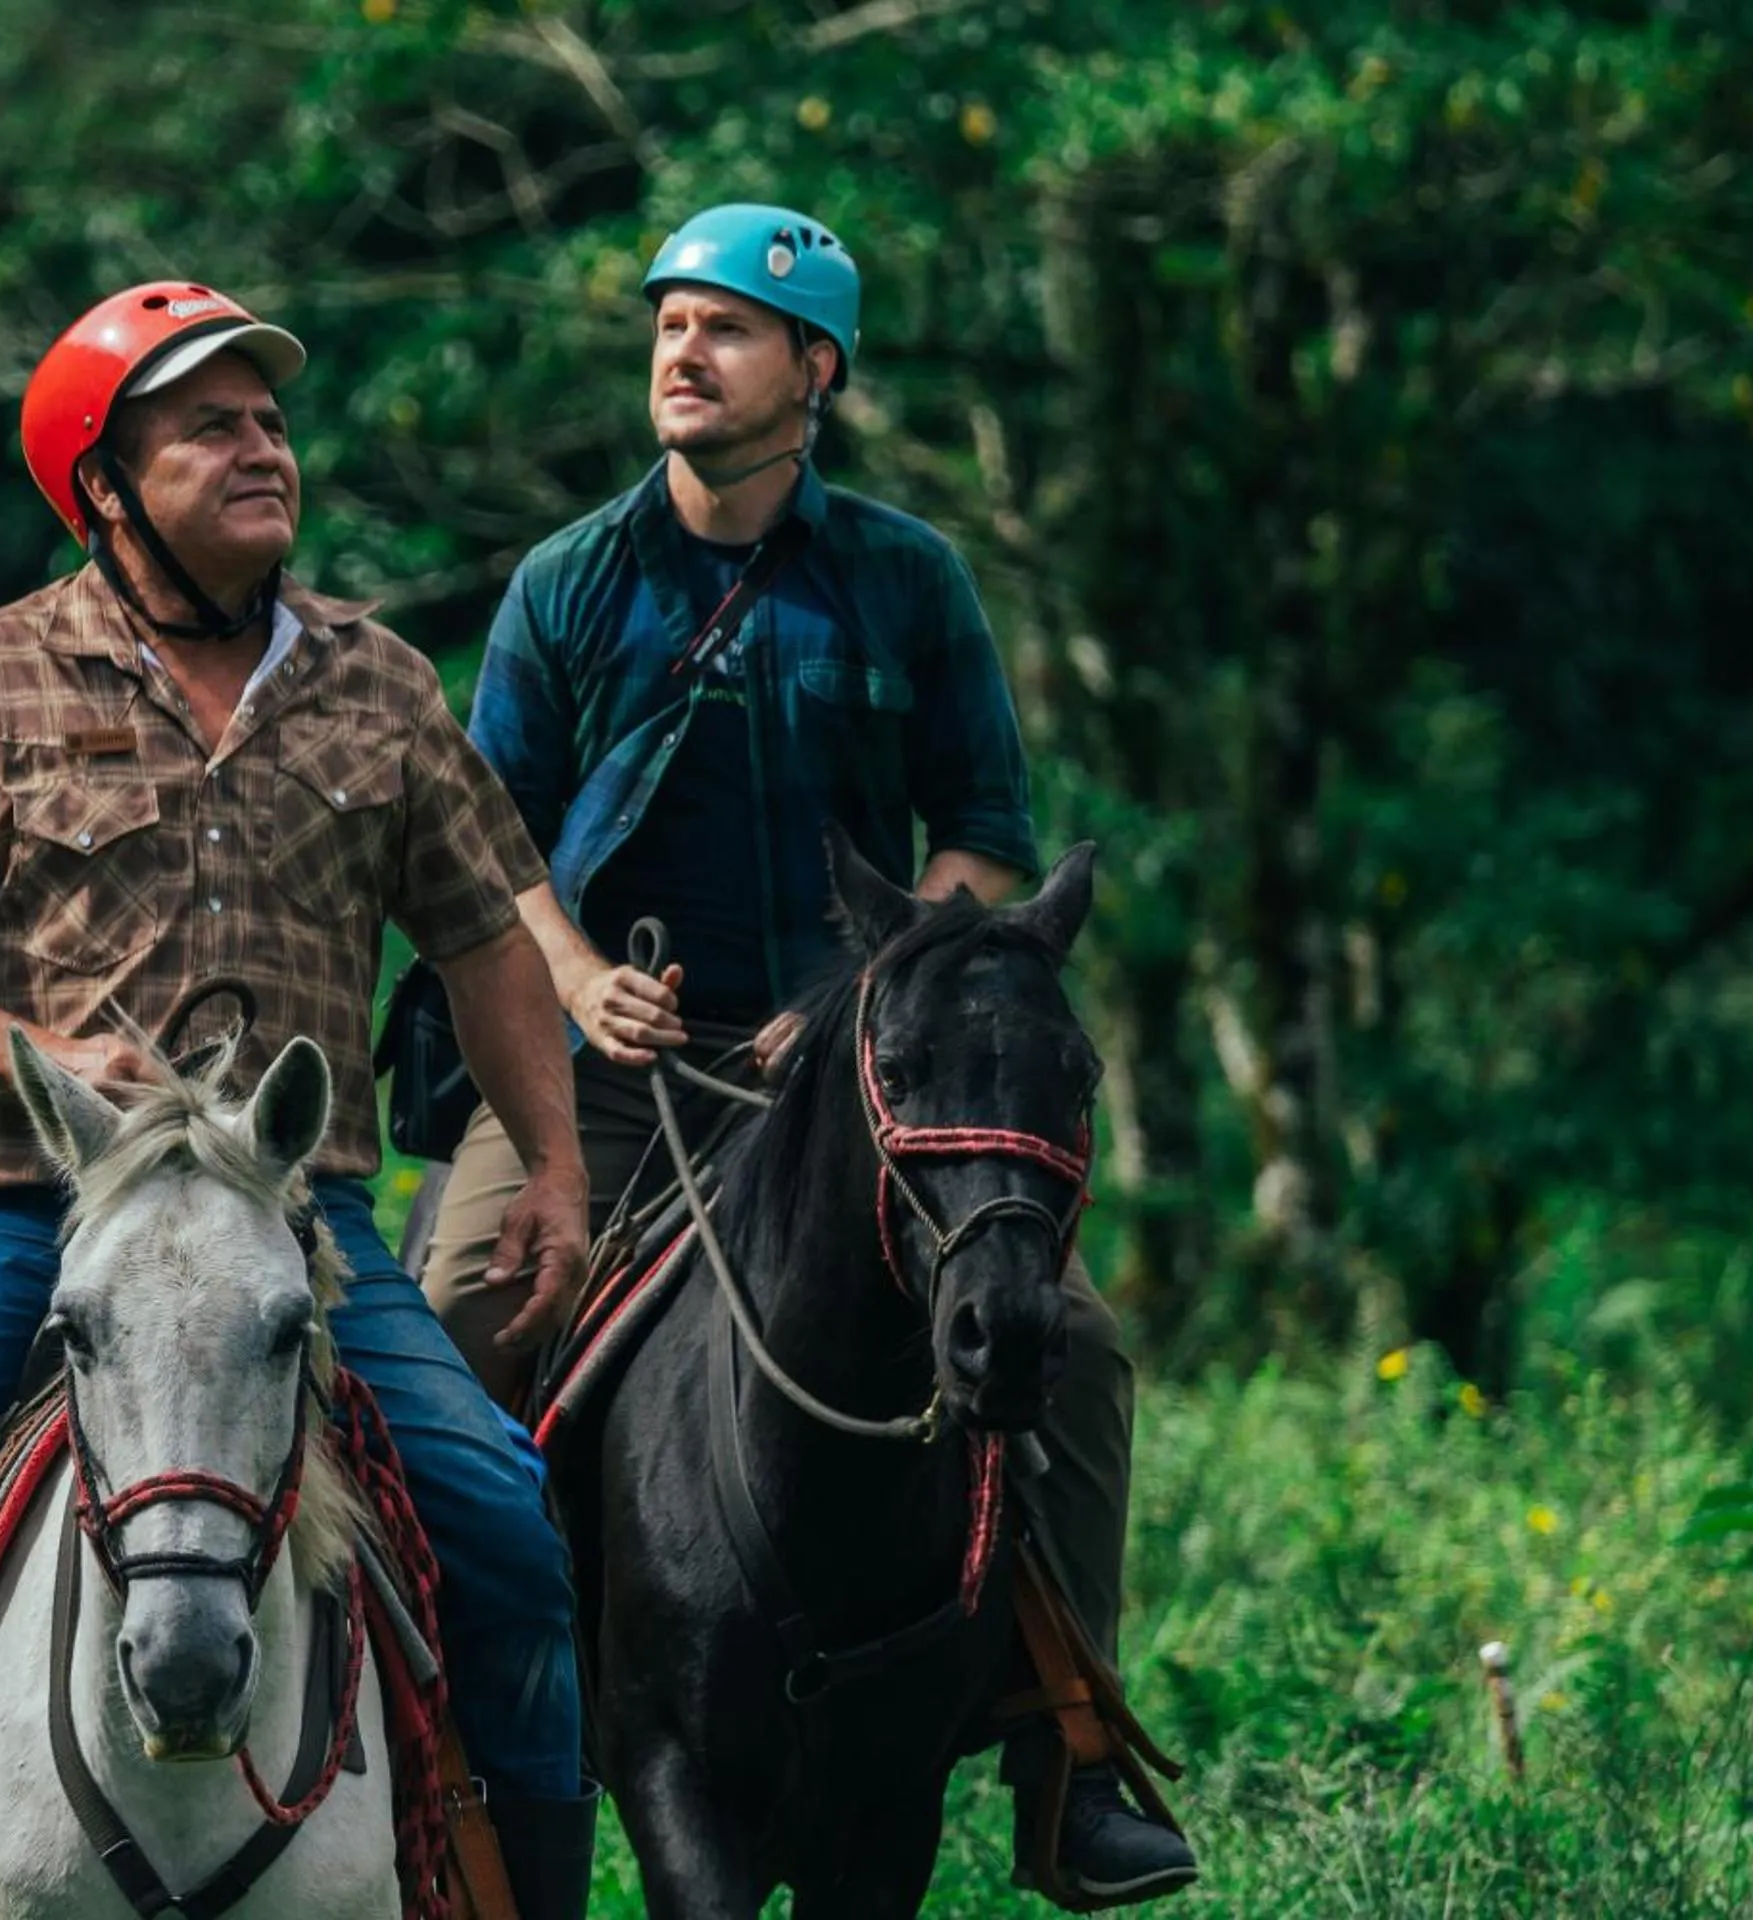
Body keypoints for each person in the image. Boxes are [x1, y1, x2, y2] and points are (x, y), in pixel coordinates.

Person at [0, 282, 600, 1920]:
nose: (263, 446)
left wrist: (552, 1167)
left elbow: (487, 935)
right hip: (40, 1219)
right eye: (210, 425)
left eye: (270, 420)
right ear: (103, 483)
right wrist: (23, 1053)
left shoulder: (381, 681)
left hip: (305, 1233)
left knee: (508, 1538)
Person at [415, 204, 1199, 1904]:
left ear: (814, 370)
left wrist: (870, 985)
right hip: (609, 1065)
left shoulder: (909, 577)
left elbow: (985, 834)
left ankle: (1070, 1751)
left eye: (728, 332)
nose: (682, 357)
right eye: (668, 329)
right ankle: (439, 1746)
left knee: (1079, 1348)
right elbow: (484, 841)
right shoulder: (569, 583)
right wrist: (566, 979)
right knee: (462, 1307)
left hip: (858, 1069)